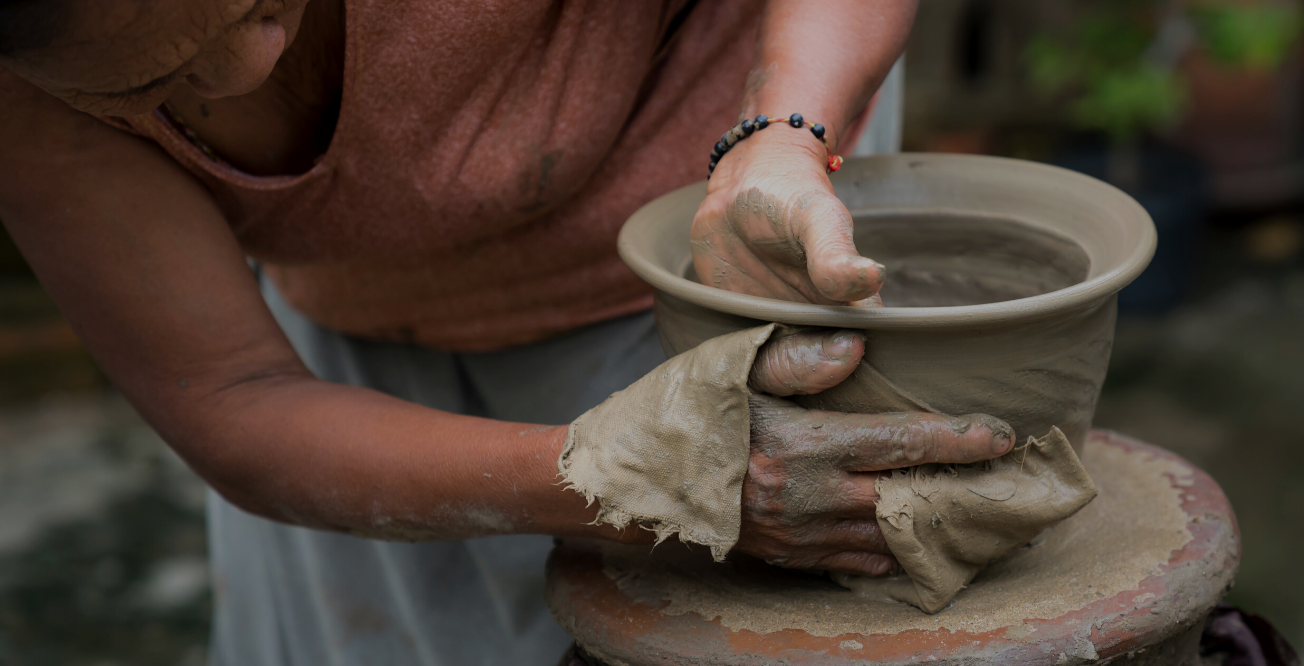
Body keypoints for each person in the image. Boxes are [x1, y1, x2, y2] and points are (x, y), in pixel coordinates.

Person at [0, 0, 1018, 662]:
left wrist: (787, 131)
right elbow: (230, 394)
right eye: (152, 88)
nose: (241, 69)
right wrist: (636, 481)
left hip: (750, 211)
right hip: (372, 376)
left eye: (259, 2)